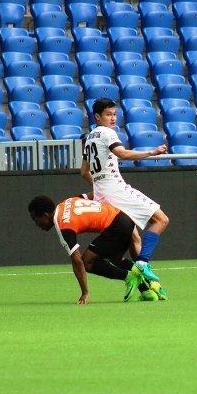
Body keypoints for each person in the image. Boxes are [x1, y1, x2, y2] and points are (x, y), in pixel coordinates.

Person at [80, 97, 169, 292]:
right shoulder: (107, 133)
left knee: (132, 238)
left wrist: (99, 186)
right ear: (97, 116)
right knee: (161, 219)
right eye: (108, 114)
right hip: (116, 190)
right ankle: (143, 263)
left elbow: (84, 171)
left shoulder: (89, 138)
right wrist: (152, 152)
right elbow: (123, 154)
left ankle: (147, 287)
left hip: (102, 195)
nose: (113, 118)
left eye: (114, 114)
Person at [28, 195, 166, 304]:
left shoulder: (62, 224)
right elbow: (92, 194)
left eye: (35, 219)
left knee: (87, 262)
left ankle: (129, 277)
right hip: (124, 218)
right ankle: (147, 291)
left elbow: (77, 262)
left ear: (45, 215)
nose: (37, 224)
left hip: (116, 226)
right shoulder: (67, 201)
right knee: (116, 259)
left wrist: (85, 292)